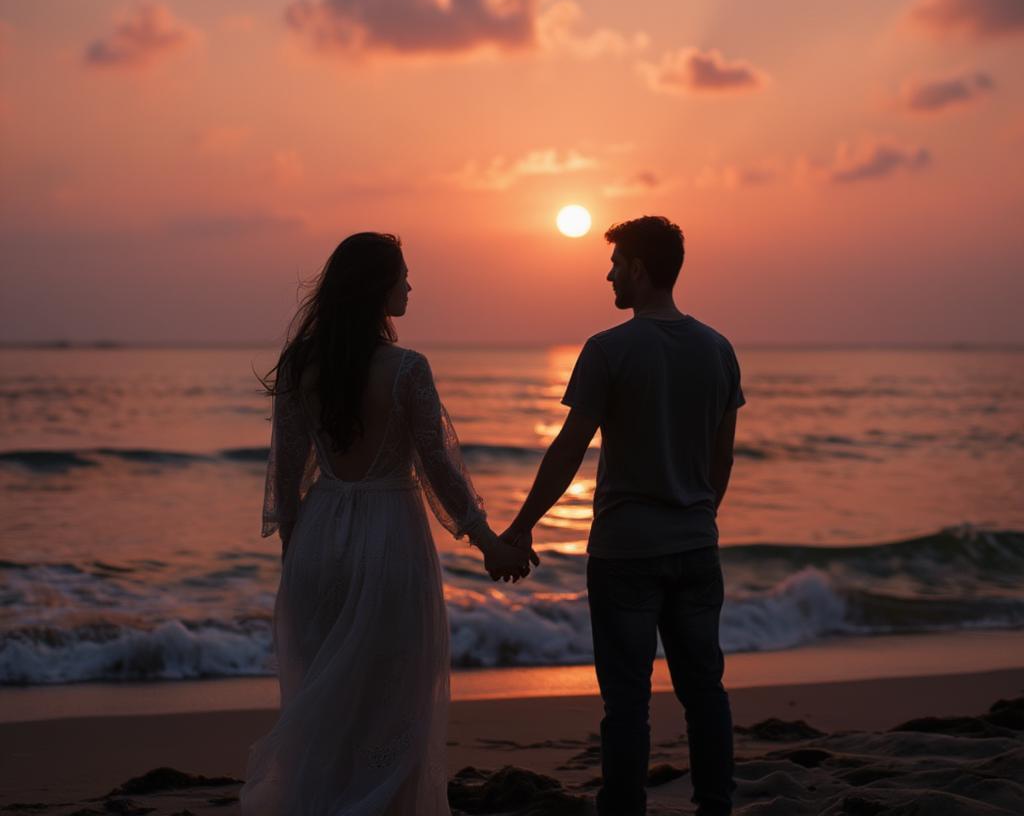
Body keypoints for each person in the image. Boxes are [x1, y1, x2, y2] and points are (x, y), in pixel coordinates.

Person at [240, 232, 535, 815]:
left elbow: (288, 477)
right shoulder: (405, 369)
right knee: (395, 694)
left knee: (331, 696)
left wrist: (295, 558)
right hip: (390, 535)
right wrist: (488, 543)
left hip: (321, 534)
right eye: (402, 275)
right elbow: (439, 470)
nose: (409, 285)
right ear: (378, 287)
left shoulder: (301, 366)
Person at [502, 215, 744, 816]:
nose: (608, 274)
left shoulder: (607, 349)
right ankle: (716, 805)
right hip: (695, 547)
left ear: (637, 269)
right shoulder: (718, 350)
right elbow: (722, 456)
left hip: (625, 553)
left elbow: (568, 448)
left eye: (614, 264)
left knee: (627, 702)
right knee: (704, 692)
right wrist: (697, 515)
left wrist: (523, 524)